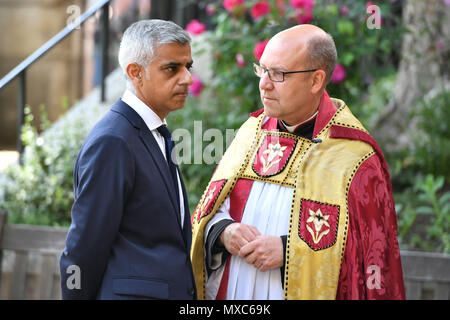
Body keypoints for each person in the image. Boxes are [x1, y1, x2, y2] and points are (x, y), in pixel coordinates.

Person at [190, 24, 405, 300]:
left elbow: (370, 260)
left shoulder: (355, 157)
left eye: (277, 74)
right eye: (261, 70)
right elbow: (210, 211)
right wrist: (223, 232)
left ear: (316, 80)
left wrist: (289, 252)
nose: (263, 84)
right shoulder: (250, 133)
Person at [60, 19, 196, 299]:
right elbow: (83, 248)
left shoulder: (156, 131)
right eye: (172, 68)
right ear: (135, 73)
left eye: (188, 66)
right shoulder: (113, 141)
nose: (187, 78)